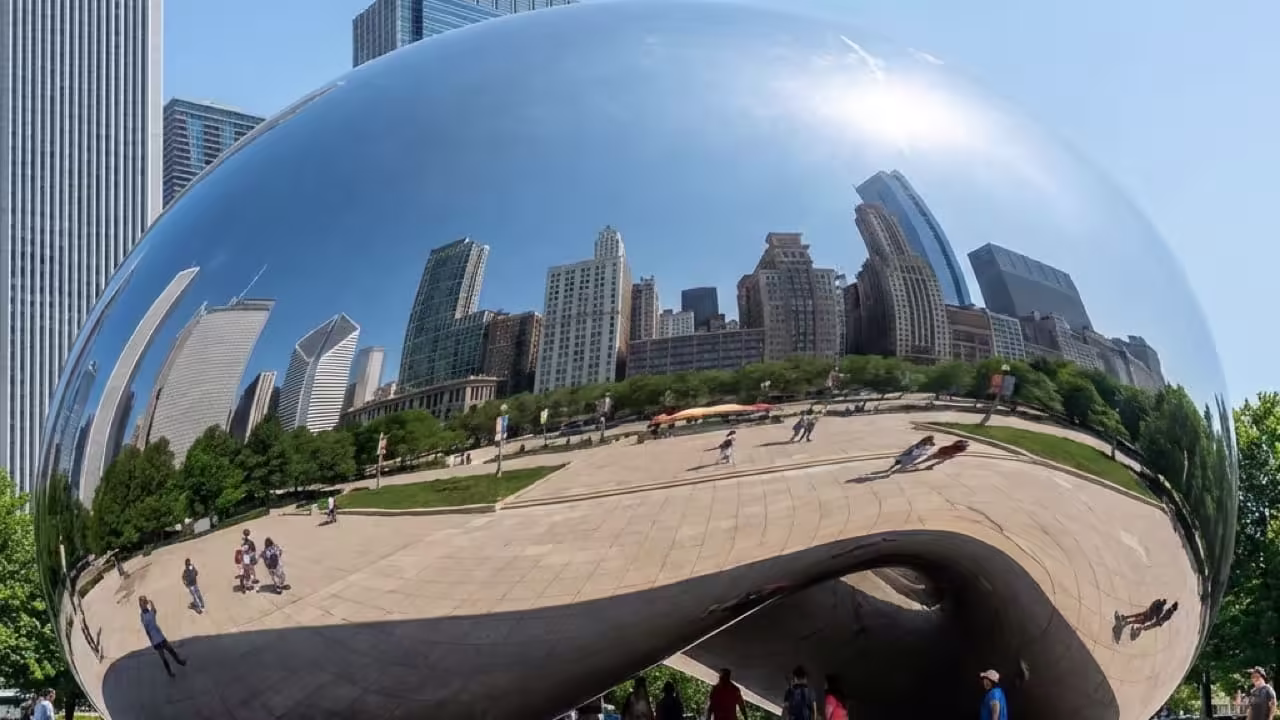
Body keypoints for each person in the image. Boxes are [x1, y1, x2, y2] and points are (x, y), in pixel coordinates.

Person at [139, 596, 187, 678]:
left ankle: (175, 666)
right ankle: (176, 665)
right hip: (157, 638)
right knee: (167, 653)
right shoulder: (147, 615)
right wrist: (151, 602)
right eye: (143, 603)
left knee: (167, 653)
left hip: (157, 637)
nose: (143, 605)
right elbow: (154, 612)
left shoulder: (145, 615)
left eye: (143, 603)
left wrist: (151, 603)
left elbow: (148, 629)